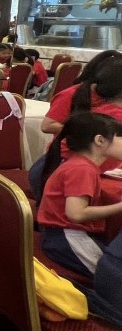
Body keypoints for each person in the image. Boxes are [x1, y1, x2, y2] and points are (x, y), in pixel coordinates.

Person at [37, 113, 122, 277]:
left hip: (63, 235)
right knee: (112, 277)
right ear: (100, 140)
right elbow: (76, 214)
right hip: (67, 237)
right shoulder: (82, 169)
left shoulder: (80, 164)